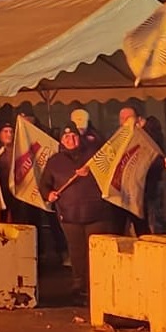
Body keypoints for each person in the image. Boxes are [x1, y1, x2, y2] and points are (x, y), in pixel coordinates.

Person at [42, 123, 120, 303]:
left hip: (96, 215)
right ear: (61, 140)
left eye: (74, 136)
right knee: (76, 253)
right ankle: (80, 286)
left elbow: (111, 173)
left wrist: (92, 172)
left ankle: (99, 286)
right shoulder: (55, 161)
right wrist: (49, 194)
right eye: (66, 137)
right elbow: (44, 184)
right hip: (70, 216)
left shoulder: (94, 155)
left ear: (79, 137)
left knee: (96, 253)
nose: (70, 140)